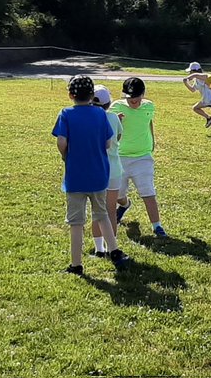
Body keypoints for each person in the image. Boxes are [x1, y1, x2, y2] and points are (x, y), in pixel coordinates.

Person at [53, 74, 130, 274]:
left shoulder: (66, 114)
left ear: (71, 95)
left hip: (76, 177)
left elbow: (61, 142)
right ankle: (114, 251)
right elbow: (107, 142)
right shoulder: (101, 115)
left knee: (76, 222)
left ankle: (76, 264)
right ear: (91, 95)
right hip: (99, 174)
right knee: (102, 214)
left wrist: (65, 155)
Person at [108, 77, 168, 237]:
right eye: (129, 99)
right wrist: (116, 121)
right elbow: (109, 131)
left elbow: (148, 123)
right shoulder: (115, 107)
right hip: (119, 158)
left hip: (142, 157)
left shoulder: (149, 106)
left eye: (136, 99)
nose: (132, 103)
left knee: (148, 192)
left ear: (143, 94)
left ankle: (157, 227)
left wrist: (152, 142)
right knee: (118, 195)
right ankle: (125, 205)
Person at [92, 85, 125, 257]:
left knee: (97, 211)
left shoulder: (89, 118)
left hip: (96, 169)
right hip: (114, 169)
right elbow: (118, 137)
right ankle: (113, 247)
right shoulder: (113, 118)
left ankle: (99, 248)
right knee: (111, 211)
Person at [182, 62, 211, 128]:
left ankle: (209, 118)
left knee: (195, 108)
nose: (190, 73)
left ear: (194, 71)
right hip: (207, 99)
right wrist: (186, 83)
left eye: (191, 71)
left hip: (210, 99)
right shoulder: (196, 79)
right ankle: (209, 118)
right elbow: (193, 90)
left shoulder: (203, 77)